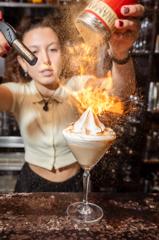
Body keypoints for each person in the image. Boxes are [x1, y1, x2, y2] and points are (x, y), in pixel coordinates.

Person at [0, 3, 144, 192]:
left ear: (63, 54)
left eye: (53, 49)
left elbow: (120, 93)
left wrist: (120, 53)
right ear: (22, 63)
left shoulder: (78, 86)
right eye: (34, 52)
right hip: (31, 183)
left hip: (76, 184)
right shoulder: (16, 93)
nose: (45, 60)